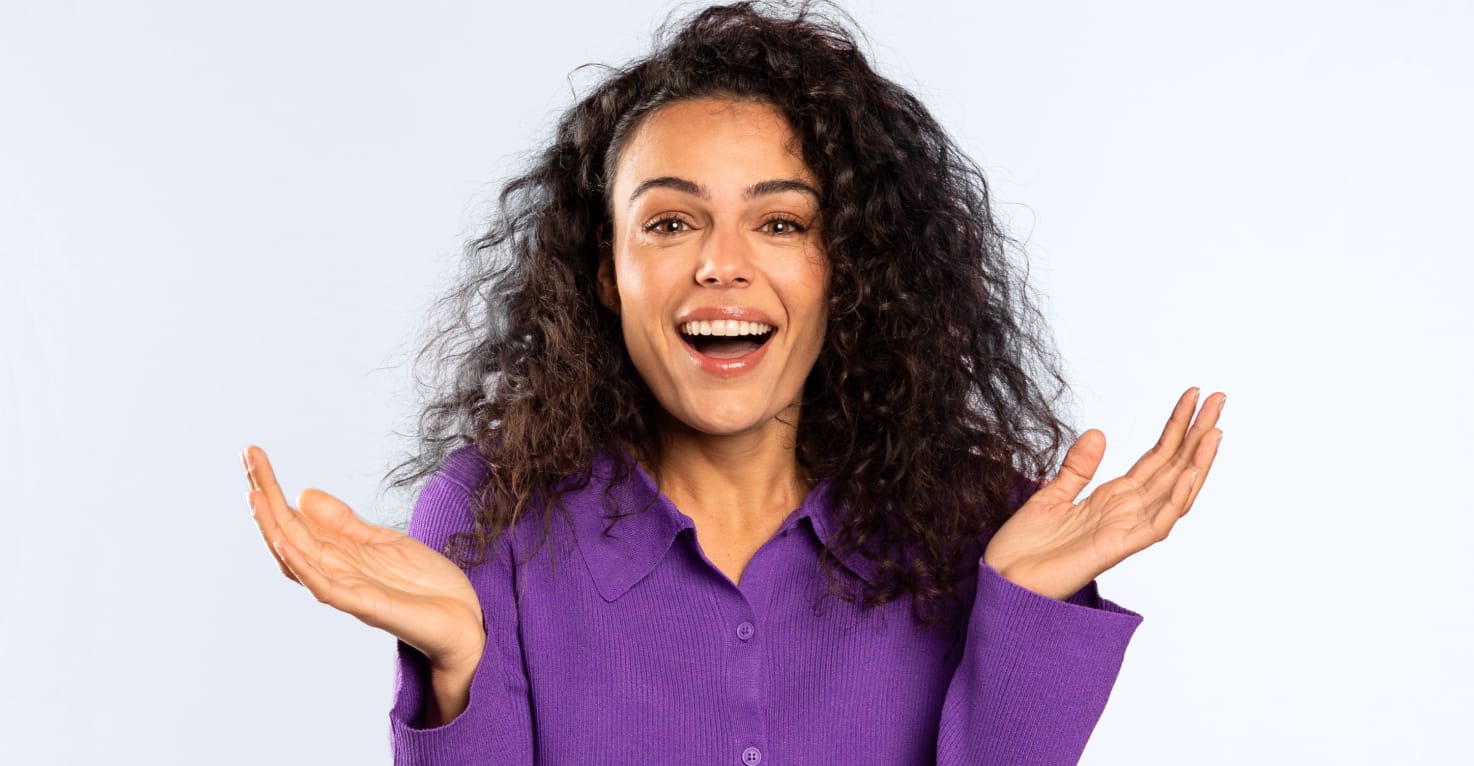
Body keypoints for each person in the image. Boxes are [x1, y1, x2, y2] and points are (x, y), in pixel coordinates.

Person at [242, 2, 1225, 763]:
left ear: (846, 264)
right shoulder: (490, 515)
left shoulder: (978, 522)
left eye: (781, 222)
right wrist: (459, 671)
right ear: (605, 271)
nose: (721, 263)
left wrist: (1026, 608)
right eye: (669, 223)